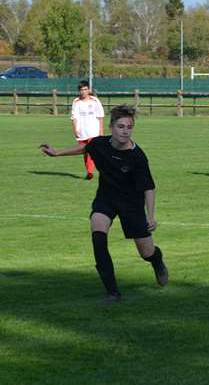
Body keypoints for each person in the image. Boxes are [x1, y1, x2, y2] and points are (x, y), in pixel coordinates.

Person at [40, 105, 168, 303]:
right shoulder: (100, 143)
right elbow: (85, 148)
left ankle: (156, 260)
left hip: (131, 204)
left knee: (146, 252)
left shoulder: (137, 157)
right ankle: (112, 293)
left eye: (129, 127)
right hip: (106, 199)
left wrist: (150, 217)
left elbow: (149, 189)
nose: (125, 131)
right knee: (98, 238)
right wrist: (57, 153)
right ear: (111, 128)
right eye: (120, 126)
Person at [71, 80, 104, 180]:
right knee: (85, 152)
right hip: (81, 131)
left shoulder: (95, 101)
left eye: (85, 89)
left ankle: (90, 171)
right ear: (79, 91)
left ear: (89, 90)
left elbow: (100, 116)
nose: (84, 91)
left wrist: (101, 130)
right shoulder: (76, 101)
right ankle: (89, 171)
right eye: (82, 90)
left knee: (91, 151)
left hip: (93, 131)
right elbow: (74, 117)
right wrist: (75, 129)